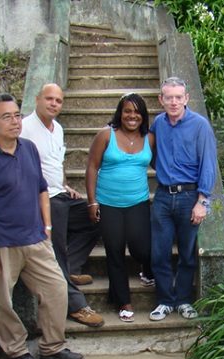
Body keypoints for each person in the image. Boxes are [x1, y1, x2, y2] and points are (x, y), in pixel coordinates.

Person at [0, 93, 84, 359]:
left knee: (57, 289)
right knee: (3, 301)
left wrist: (46, 227)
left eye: (17, 115)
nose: (14, 121)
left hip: (36, 239)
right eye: (6, 117)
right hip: (2, 245)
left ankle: (52, 346)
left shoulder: (29, 149)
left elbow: (42, 189)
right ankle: (15, 350)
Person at [21, 83, 103, 328]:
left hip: (60, 193)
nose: (54, 104)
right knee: (55, 248)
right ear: (37, 99)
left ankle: (72, 266)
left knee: (99, 216)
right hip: (43, 199)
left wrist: (65, 184)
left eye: (58, 100)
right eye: (49, 99)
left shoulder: (57, 128)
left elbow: (55, 162)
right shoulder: (24, 129)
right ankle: (75, 304)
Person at [148, 77, 217, 321]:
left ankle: (185, 300)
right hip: (164, 196)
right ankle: (165, 300)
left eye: (179, 97)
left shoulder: (200, 126)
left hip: (190, 196)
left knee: (188, 253)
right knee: (159, 252)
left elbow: (209, 164)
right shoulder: (158, 124)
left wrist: (202, 201)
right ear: (161, 100)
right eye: (169, 97)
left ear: (186, 98)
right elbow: (152, 155)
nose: (174, 102)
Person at [85, 93, 155, 322]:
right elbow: (92, 168)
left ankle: (147, 269)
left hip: (138, 201)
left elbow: (161, 165)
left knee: (142, 248)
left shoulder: (150, 139)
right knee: (114, 251)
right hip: (108, 203)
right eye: (127, 111)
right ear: (120, 113)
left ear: (143, 116)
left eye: (137, 112)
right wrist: (92, 201)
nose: (132, 116)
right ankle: (123, 301)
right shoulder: (106, 135)